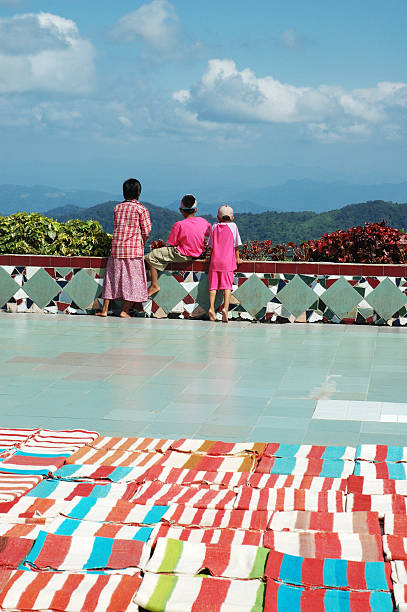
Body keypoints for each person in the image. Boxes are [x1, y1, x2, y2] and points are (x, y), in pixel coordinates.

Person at [96, 178, 151, 318]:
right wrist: (141, 241)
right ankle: (125, 310)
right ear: (139, 193)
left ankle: (104, 310)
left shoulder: (117, 208)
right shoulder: (141, 209)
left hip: (116, 249)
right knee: (132, 280)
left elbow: (116, 226)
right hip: (133, 250)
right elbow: (147, 230)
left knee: (111, 278)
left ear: (123, 193)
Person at [145, 194, 211, 297]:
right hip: (198, 253)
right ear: (196, 210)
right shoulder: (203, 222)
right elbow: (209, 234)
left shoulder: (179, 225)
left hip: (183, 254)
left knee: (151, 256)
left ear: (181, 210)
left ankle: (154, 285)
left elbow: (172, 243)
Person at [207, 205, 242, 323]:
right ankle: (225, 309)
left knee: (213, 287)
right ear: (232, 217)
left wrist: (208, 258)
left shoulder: (214, 227)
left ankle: (211, 309)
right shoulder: (233, 226)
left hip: (215, 261)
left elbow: (210, 246)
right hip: (227, 262)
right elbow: (235, 245)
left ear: (218, 217)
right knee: (227, 287)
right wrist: (238, 258)